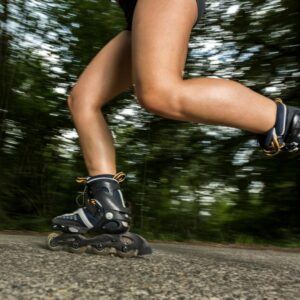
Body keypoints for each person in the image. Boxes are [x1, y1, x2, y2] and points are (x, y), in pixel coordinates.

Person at [49, 0, 299, 255]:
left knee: (159, 93)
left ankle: (288, 122)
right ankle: (106, 203)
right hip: (136, 12)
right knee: (82, 100)